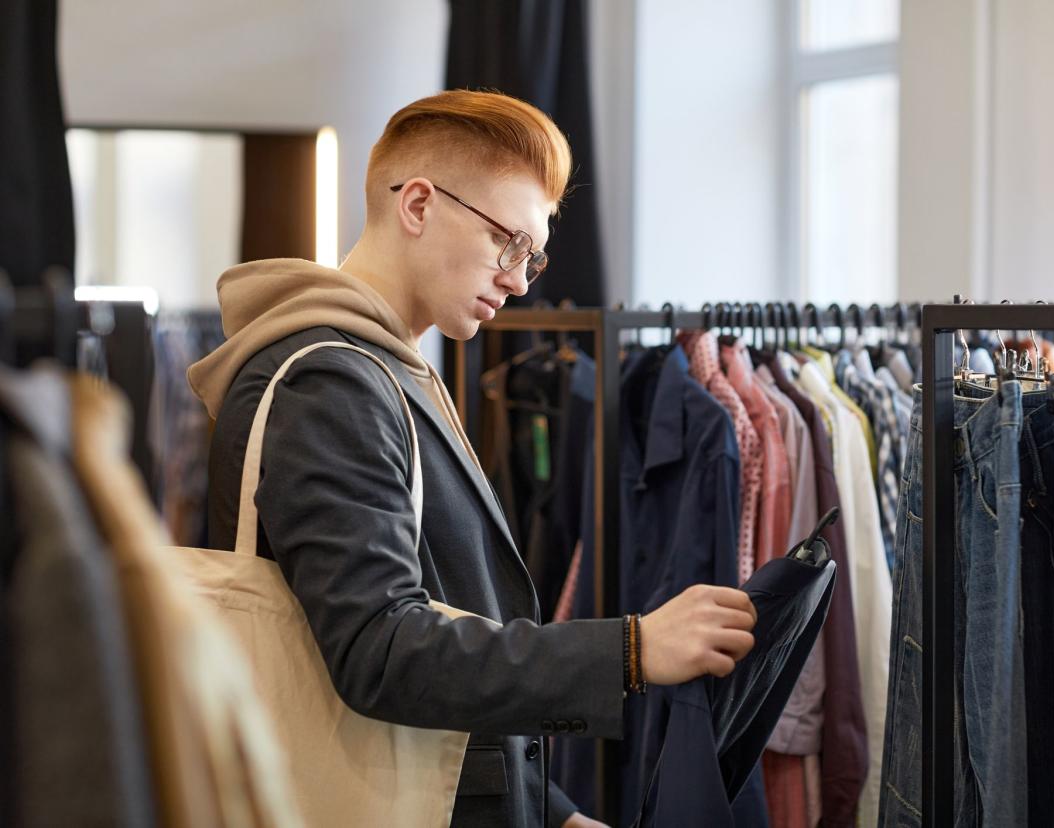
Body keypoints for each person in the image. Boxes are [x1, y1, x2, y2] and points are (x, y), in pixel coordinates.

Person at [188, 89, 757, 828]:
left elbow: (449, 611)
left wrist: (549, 810)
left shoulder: (393, 369)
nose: (520, 278)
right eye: (507, 242)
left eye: (534, 255)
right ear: (418, 205)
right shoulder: (333, 382)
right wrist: (631, 649)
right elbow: (381, 648)